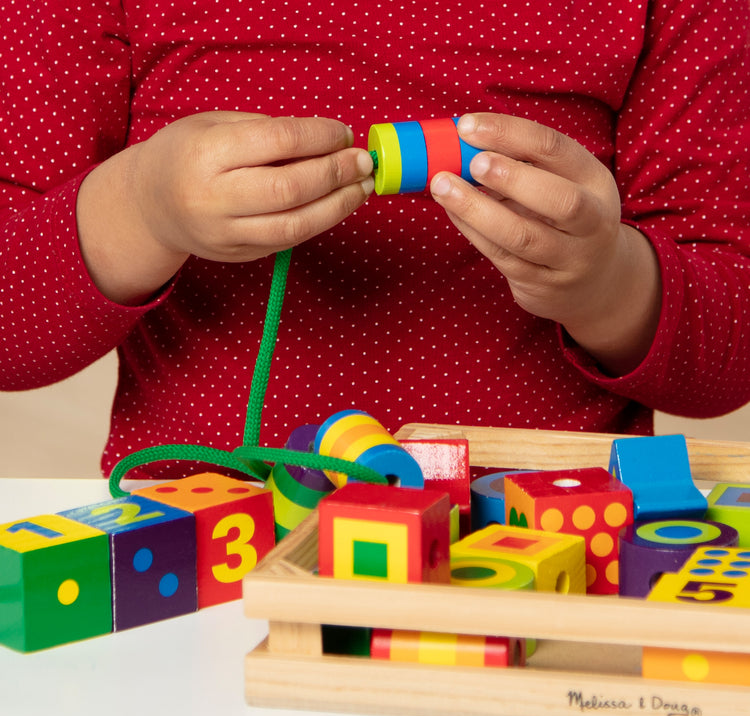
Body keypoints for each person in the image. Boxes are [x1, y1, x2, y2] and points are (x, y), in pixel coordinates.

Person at [1, 0, 749, 479]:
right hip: (207, 565)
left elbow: (731, 341)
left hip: (535, 553)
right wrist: (142, 206)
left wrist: (608, 284)